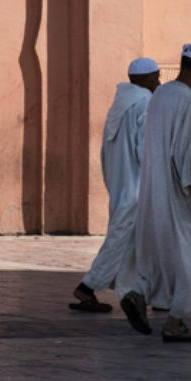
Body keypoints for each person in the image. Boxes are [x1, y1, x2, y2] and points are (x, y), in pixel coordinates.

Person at [117, 41, 191, 343]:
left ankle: (140, 292)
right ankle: (176, 320)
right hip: (178, 190)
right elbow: (183, 153)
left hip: (155, 187)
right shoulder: (188, 101)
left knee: (162, 250)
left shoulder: (161, 94)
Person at [70, 57, 162, 312]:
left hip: (122, 186)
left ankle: (147, 293)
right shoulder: (143, 103)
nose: (159, 82)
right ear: (143, 80)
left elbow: (104, 152)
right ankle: (87, 287)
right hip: (137, 189)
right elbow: (145, 151)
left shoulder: (119, 105)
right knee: (120, 241)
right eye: (155, 77)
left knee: (137, 243)